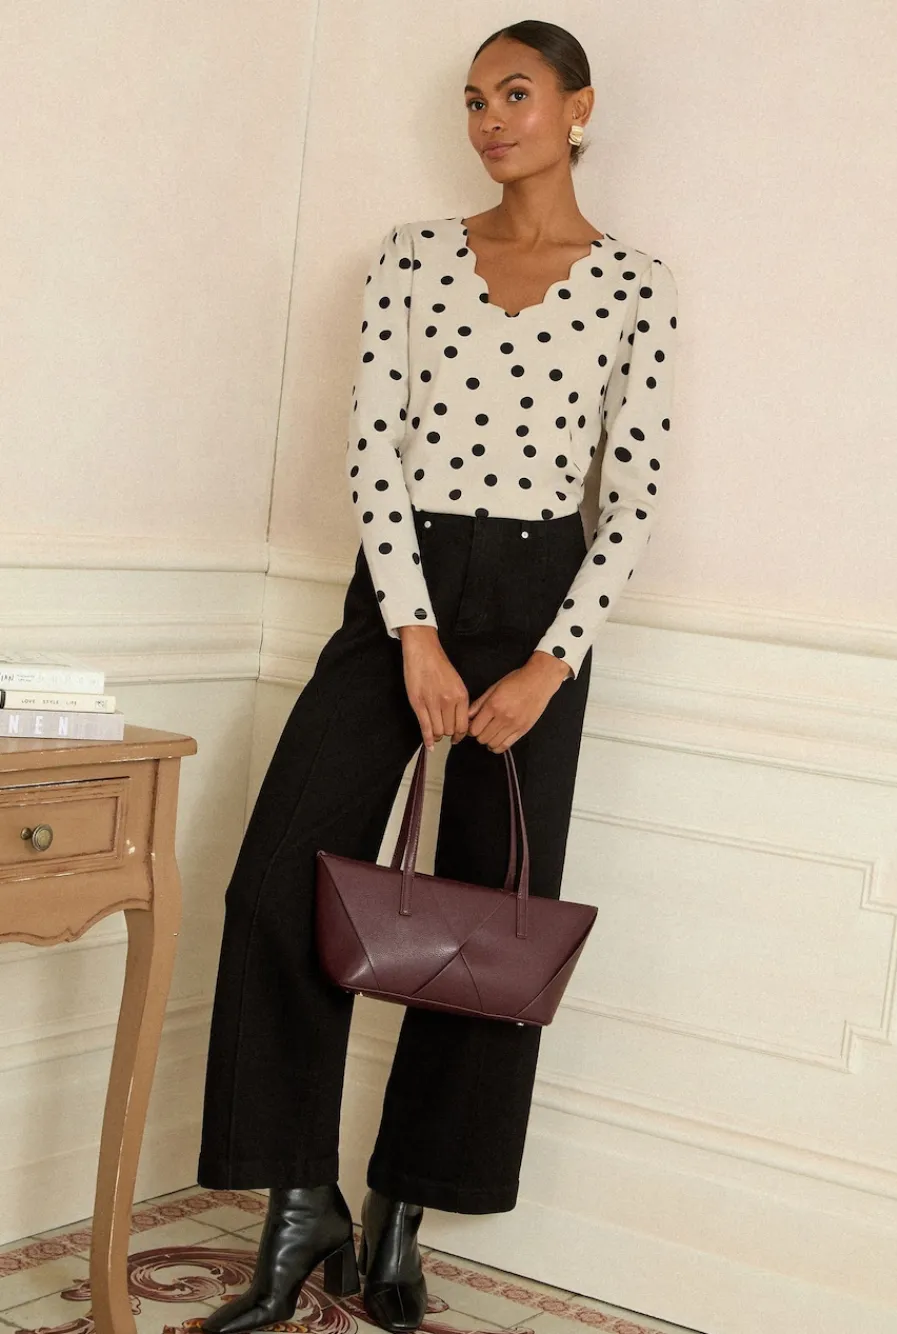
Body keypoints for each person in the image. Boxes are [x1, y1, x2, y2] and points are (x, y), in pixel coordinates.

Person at [196, 18, 678, 1334]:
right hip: (401, 586)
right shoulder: (410, 256)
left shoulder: (636, 285)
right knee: (275, 881)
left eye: (515, 93)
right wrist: (410, 627)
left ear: (578, 107)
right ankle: (302, 1204)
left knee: (487, 921)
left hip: (540, 602)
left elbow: (632, 493)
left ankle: (405, 1205)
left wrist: (550, 662)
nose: (490, 119)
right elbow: (372, 446)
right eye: (473, 100)